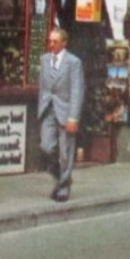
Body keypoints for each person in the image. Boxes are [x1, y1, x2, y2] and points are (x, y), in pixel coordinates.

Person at [37, 27, 84, 202]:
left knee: (65, 152)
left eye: (55, 41)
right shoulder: (44, 60)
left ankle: (64, 187)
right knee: (46, 147)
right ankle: (62, 177)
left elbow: (77, 91)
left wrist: (73, 117)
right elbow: (42, 86)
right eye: (50, 41)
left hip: (65, 111)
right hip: (48, 109)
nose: (51, 44)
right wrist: (41, 106)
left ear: (63, 43)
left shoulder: (73, 62)